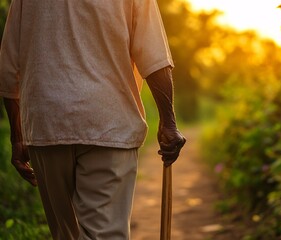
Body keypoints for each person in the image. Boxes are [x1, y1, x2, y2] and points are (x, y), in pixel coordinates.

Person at [0, 0, 186, 239]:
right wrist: (168, 122)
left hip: (47, 124)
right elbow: (153, 54)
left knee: (66, 234)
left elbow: (8, 66)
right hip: (109, 123)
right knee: (105, 234)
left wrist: (17, 137)